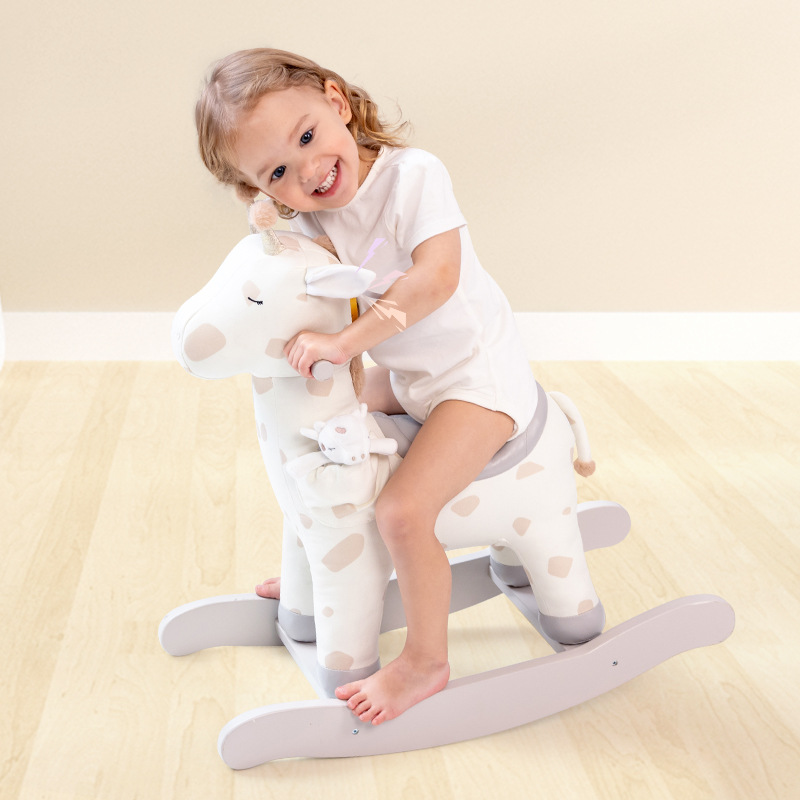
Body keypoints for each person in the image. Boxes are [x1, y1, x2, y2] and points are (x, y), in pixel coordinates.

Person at [195, 48, 538, 726]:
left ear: (337, 101)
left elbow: (436, 278)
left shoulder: (413, 177)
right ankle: (328, 561)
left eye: (307, 136)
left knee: (401, 513)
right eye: (277, 173)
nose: (308, 171)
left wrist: (347, 345)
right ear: (258, 190)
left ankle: (425, 661)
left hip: (477, 379)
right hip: (413, 378)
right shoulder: (308, 220)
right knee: (311, 431)